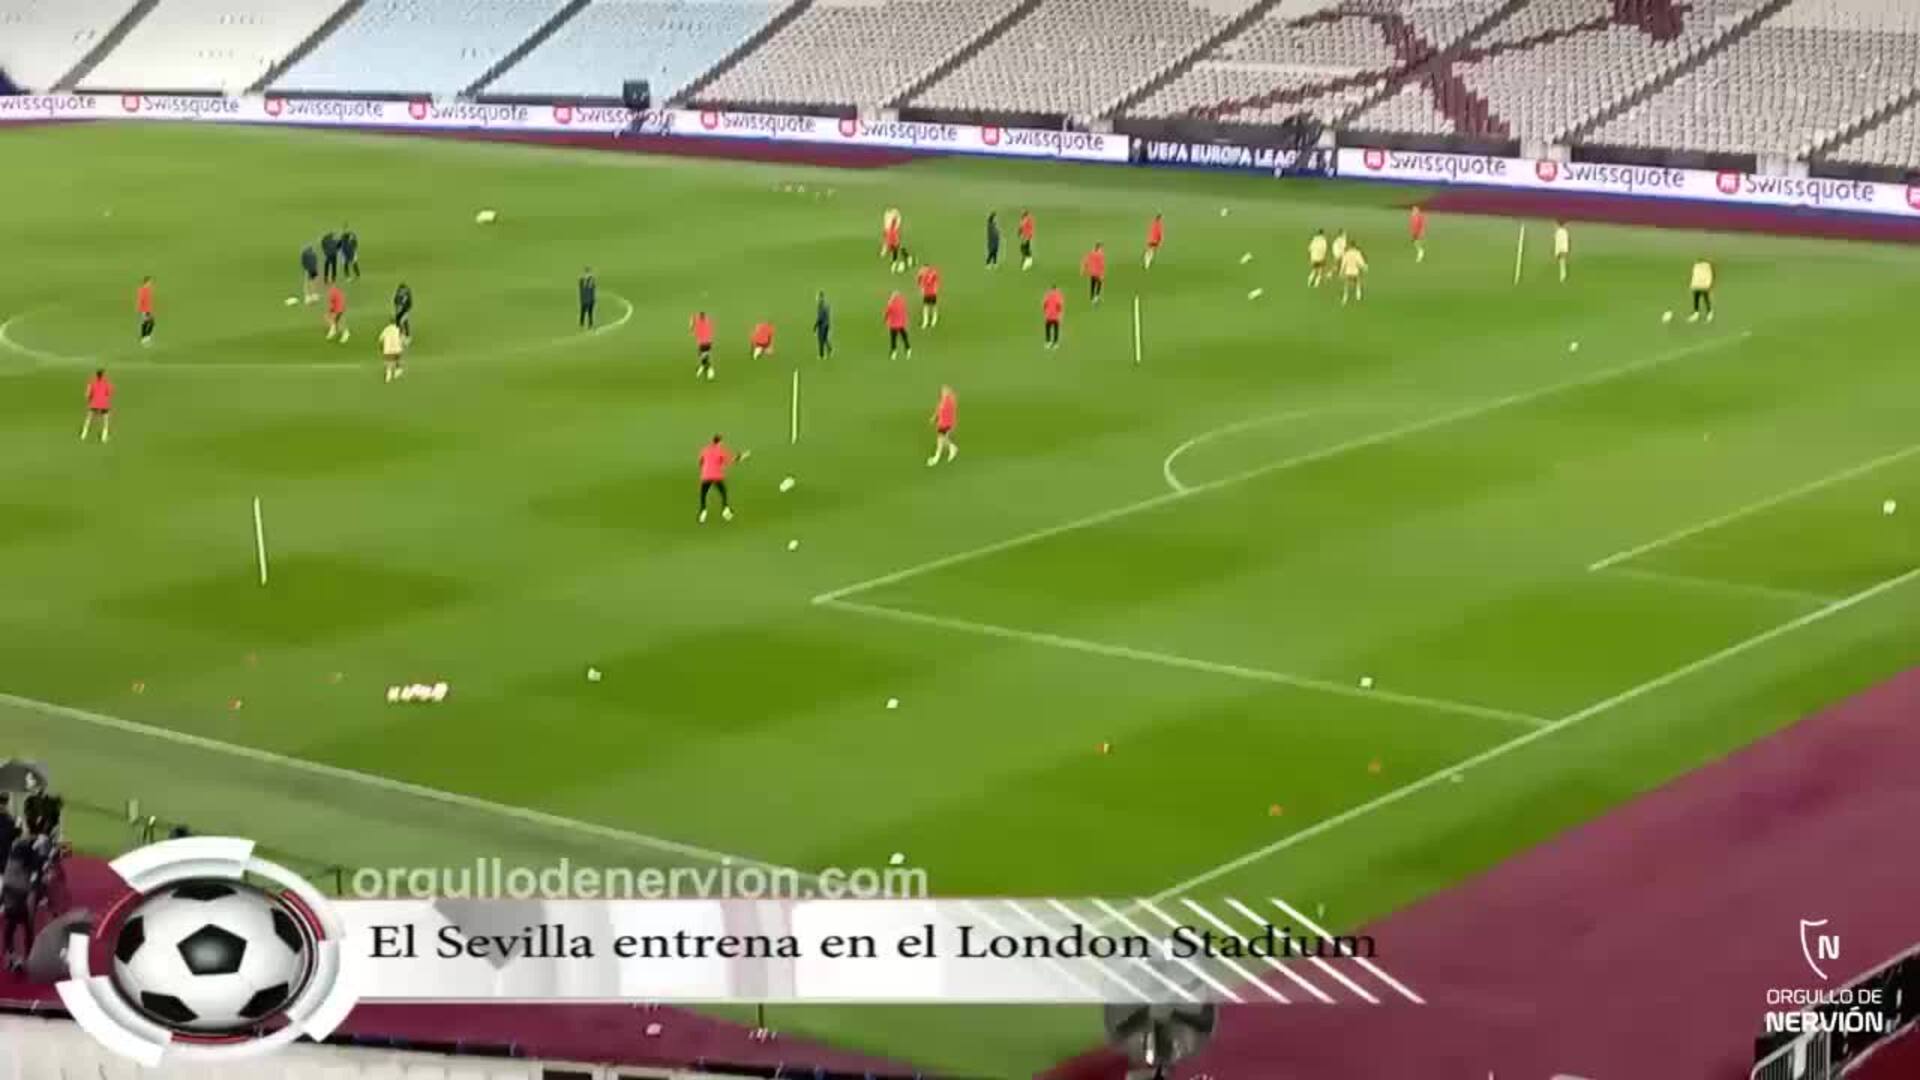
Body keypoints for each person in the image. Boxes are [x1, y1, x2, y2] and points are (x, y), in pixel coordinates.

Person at [697, 434, 737, 524]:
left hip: (705, 476)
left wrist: (705, 469)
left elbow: (701, 462)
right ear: (720, 442)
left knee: (703, 494)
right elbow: (730, 461)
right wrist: (738, 457)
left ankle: (703, 512)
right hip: (717, 476)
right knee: (723, 493)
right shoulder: (721, 451)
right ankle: (725, 510)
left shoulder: (705, 449)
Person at [927, 384, 958, 467]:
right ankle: (952, 448)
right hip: (942, 423)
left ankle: (936, 458)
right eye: (942, 391)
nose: (942, 392)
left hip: (946, 424)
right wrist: (934, 418)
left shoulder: (949, 402)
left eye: (944, 391)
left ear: (948, 393)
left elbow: (949, 414)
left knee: (940, 440)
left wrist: (948, 425)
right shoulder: (943, 400)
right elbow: (938, 410)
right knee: (943, 439)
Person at [80, 369, 111, 443]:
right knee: (105, 420)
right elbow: (109, 393)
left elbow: (87, 394)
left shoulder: (91, 382)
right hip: (104, 404)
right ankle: (104, 437)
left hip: (94, 403)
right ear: (103, 375)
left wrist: (90, 400)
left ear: (97, 375)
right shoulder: (107, 383)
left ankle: (83, 434)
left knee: (89, 418)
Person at [885, 290, 911, 360]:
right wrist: (905, 321)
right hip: (901, 324)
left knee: (893, 339)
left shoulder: (891, 304)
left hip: (893, 324)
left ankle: (894, 353)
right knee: (904, 337)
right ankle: (908, 349)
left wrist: (886, 320)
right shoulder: (902, 303)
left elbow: (887, 313)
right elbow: (904, 313)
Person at [1688, 258, 1715, 322]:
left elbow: (1709, 275)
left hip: (1704, 285)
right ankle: (1696, 313)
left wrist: (1708, 284)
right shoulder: (1696, 266)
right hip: (1697, 285)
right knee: (1696, 299)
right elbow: (1694, 275)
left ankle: (1709, 312)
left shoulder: (1706, 266)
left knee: (1706, 298)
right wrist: (1692, 284)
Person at [691, 310, 715, 379]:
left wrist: (692, 326)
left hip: (703, 343)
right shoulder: (708, 321)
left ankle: (709, 371)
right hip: (707, 342)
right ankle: (703, 367)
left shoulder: (698, 322)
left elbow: (693, 321)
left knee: (704, 357)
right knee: (703, 356)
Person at [916, 263, 941, 328]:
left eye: (924, 268)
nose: (923, 270)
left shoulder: (932, 273)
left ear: (927, 268)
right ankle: (926, 321)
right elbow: (919, 282)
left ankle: (934, 320)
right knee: (926, 306)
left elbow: (937, 281)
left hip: (932, 292)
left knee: (933, 306)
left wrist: (936, 288)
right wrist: (922, 289)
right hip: (926, 292)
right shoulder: (924, 274)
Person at [1043, 285, 1064, 349]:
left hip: (1048, 315)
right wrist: (1060, 314)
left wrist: (1045, 312)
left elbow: (1044, 304)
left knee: (1048, 329)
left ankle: (1048, 342)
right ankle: (1055, 343)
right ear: (1056, 289)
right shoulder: (1058, 295)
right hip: (1055, 316)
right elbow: (1059, 305)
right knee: (1056, 329)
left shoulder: (1047, 295)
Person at [135, 276, 155, 347]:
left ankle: (145, 337)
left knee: (147, 322)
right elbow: (140, 300)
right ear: (146, 282)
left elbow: (148, 300)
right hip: (144, 310)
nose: (150, 283)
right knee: (149, 322)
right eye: (149, 282)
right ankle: (145, 337)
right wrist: (139, 309)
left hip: (148, 310)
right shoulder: (142, 290)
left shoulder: (149, 290)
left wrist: (150, 309)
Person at [883, 208, 904, 273]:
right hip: (891, 234)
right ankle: (893, 262)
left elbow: (897, 220)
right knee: (893, 248)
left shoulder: (892, 221)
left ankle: (893, 263)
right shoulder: (890, 221)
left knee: (894, 249)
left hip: (892, 234)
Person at [814, 291, 833, 358]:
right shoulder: (826, 304)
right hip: (827, 324)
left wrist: (815, 326)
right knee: (825, 338)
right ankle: (829, 349)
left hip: (822, 325)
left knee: (821, 340)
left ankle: (821, 355)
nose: (817, 298)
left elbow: (820, 317)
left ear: (821, 298)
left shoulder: (820, 306)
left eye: (818, 297)